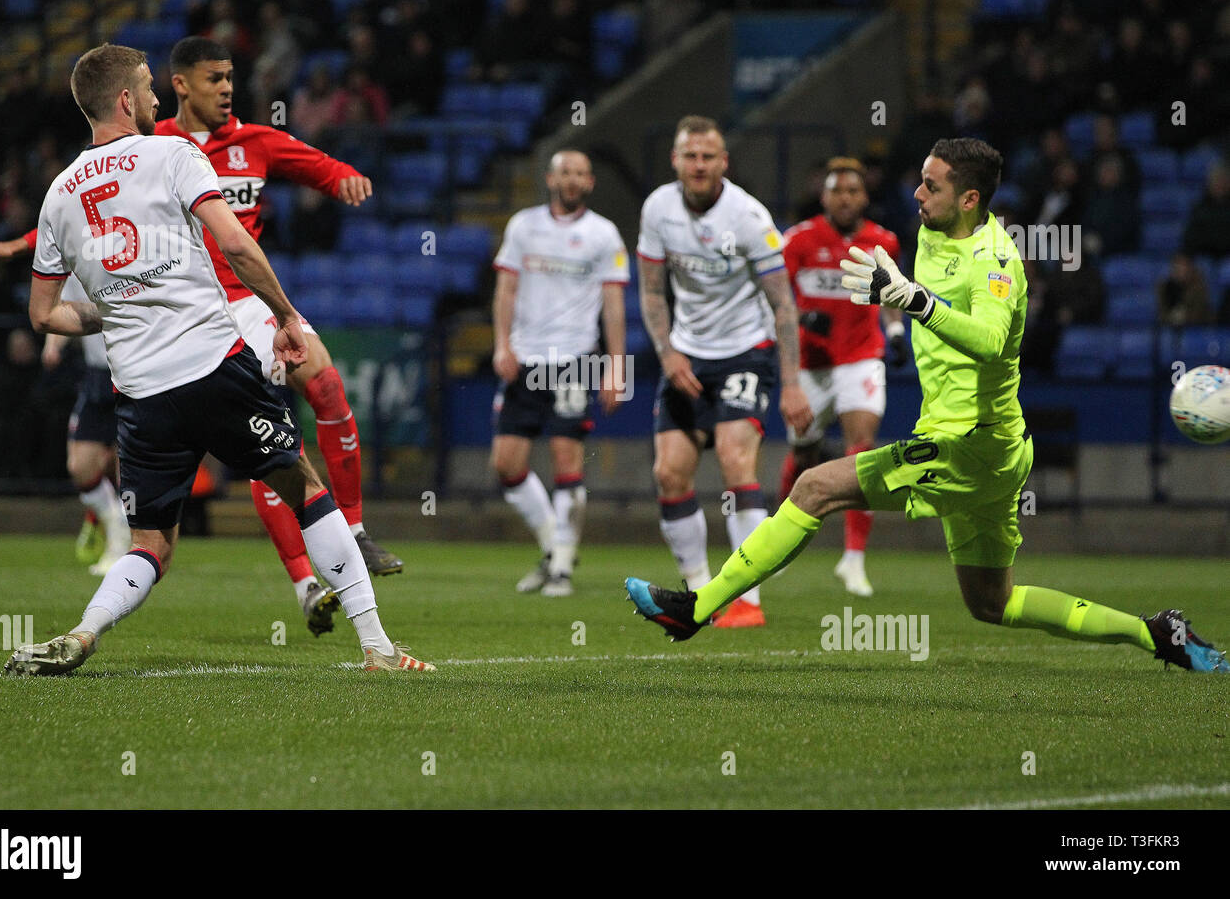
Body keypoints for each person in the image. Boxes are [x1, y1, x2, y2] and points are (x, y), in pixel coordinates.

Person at [626, 137, 1226, 674]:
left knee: (813, 487)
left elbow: (991, 342)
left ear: (968, 199)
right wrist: (898, 302)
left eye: (930, 185)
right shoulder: (932, 233)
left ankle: (697, 607)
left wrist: (914, 300)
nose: (915, 192)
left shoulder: (995, 261)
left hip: (968, 442)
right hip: (992, 449)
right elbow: (920, 307)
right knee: (994, 604)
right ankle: (1156, 632)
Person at [0, 36, 403, 639]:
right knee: (293, 474)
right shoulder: (172, 153)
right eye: (149, 85)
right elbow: (238, 245)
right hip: (212, 345)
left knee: (151, 544)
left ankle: (84, 631)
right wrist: (289, 316)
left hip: (140, 388)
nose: (156, 95)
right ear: (126, 98)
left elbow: (44, 316)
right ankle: (367, 631)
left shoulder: (60, 190)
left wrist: (110, 304)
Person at [636, 115, 811, 630]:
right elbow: (650, 290)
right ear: (675, 161)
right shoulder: (657, 209)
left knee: (737, 461)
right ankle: (699, 596)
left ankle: (748, 602)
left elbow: (783, 306)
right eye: (689, 156)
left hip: (745, 353)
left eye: (708, 156)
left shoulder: (750, 218)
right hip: (687, 357)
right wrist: (668, 354)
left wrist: (793, 381)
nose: (698, 165)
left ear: (723, 163)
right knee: (668, 474)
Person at [491, 150, 628, 597]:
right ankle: (554, 546)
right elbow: (506, 289)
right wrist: (502, 344)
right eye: (564, 172)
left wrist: (615, 366)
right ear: (550, 178)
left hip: (574, 359)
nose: (572, 180)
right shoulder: (523, 226)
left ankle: (563, 566)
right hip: (525, 359)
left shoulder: (603, 234)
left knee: (567, 459)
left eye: (580, 174)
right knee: (506, 464)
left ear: (589, 182)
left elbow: (613, 305)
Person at [780, 157, 905, 597]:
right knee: (803, 454)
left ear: (864, 197)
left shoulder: (881, 240)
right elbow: (775, 298)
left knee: (861, 453)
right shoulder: (798, 240)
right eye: (838, 191)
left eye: (853, 191)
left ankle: (853, 559)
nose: (846, 198)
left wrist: (894, 330)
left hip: (860, 358)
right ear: (824, 195)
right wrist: (799, 321)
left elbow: (889, 293)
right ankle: (777, 543)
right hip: (811, 365)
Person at [42, 276, 132, 574]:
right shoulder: (75, 259)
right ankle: (113, 523)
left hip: (136, 370)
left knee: (129, 465)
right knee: (80, 466)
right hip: (97, 376)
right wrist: (53, 344)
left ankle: (125, 545)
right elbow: (65, 310)